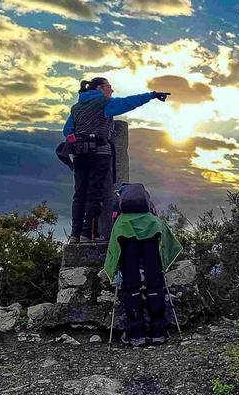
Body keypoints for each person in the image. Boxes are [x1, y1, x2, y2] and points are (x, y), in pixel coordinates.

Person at [62, 77, 168, 244]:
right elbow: (128, 102)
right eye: (109, 87)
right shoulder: (103, 103)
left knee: (79, 194)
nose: (112, 91)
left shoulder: (76, 108)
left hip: (80, 155)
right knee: (95, 193)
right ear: (100, 88)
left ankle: (74, 235)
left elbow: (67, 131)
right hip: (100, 154)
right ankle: (87, 234)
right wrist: (152, 95)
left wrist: (83, 137)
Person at [103, 183, 183, 346]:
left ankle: (135, 334)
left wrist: (114, 267)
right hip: (151, 235)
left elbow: (113, 248)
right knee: (155, 282)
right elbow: (168, 242)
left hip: (125, 236)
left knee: (130, 285)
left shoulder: (121, 218)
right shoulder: (152, 218)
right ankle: (158, 331)